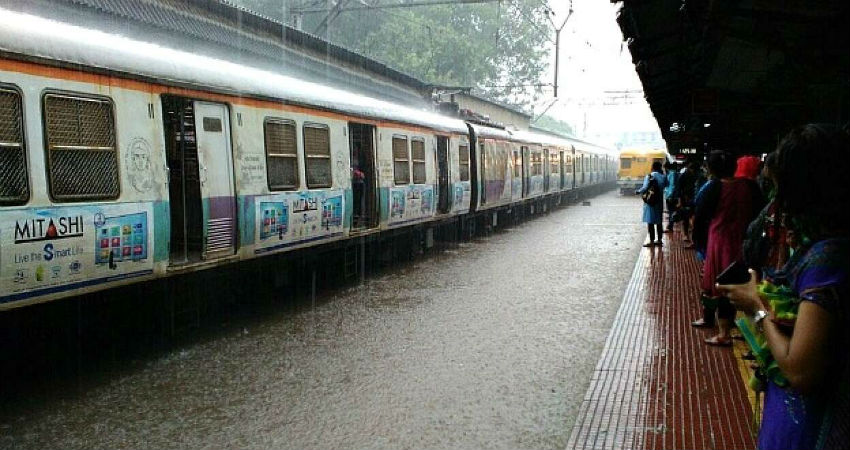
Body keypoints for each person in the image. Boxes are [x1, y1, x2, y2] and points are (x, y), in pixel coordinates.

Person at [718, 124, 850, 450]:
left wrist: (757, 306)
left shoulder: (827, 260)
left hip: (810, 430)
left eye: (780, 190)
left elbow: (799, 371)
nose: (777, 204)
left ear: (805, 191)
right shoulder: (828, 247)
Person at [692, 151, 764, 344]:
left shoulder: (713, 187)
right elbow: (760, 213)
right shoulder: (750, 186)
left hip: (719, 243)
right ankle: (755, 332)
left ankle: (723, 333)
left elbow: (700, 217)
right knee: (747, 288)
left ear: (711, 169)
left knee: (717, 286)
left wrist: (699, 243)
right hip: (745, 243)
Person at [636, 161, 668, 247]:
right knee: (659, 221)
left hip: (651, 201)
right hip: (659, 201)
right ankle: (660, 240)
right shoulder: (663, 177)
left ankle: (652, 241)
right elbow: (666, 186)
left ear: (652, 167)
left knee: (650, 221)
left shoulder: (650, 176)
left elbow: (645, 187)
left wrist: (638, 191)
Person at [664, 162, 679, 232]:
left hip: (671, 196)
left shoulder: (672, 174)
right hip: (670, 195)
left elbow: (672, 186)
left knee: (671, 211)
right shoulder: (671, 173)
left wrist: (670, 196)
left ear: (666, 168)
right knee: (671, 211)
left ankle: (670, 226)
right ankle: (670, 225)